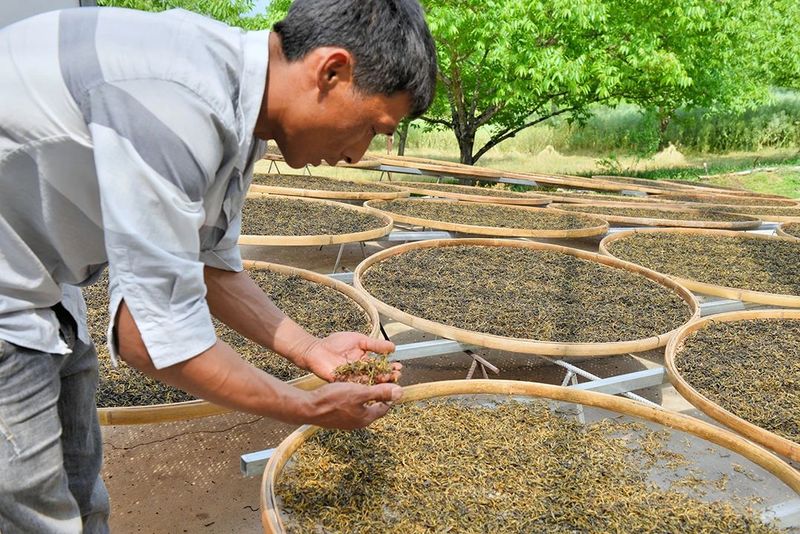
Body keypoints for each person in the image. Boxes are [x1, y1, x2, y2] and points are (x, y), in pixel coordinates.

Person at [0, 0, 438, 532]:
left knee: (81, 490)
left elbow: (209, 265)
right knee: (37, 516)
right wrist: (310, 408)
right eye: (373, 125)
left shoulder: (237, 102)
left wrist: (310, 349)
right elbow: (149, 336)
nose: (359, 155)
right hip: (10, 288)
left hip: (41, 275)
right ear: (332, 71)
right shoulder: (179, 102)